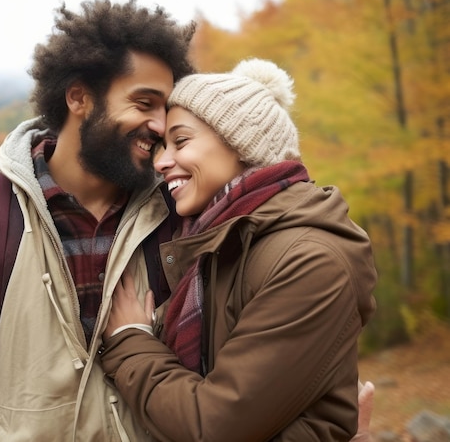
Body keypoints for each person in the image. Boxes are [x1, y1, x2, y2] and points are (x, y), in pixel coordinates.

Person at [0, 0, 195, 441]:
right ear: (79, 96)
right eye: (143, 103)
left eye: (166, 108)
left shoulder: (182, 219)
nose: (160, 125)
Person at [100, 58, 378, 441]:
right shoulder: (220, 244)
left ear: (241, 144)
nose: (161, 162)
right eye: (163, 145)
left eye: (180, 141)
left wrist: (130, 340)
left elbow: (215, 425)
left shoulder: (310, 260)